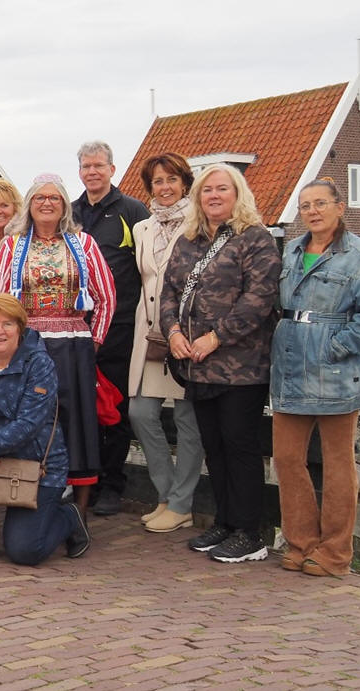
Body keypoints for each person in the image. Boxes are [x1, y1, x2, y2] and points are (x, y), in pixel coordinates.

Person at [160, 163, 281, 563]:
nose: (214, 195)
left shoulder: (255, 240)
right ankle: (226, 522)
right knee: (214, 445)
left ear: (237, 193)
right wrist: (174, 333)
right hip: (196, 364)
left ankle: (250, 532)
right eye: (207, 190)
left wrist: (216, 337)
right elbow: (169, 293)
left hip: (240, 366)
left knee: (239, 445)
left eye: (222, 189)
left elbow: (259, 300)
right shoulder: (188, 241)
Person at [272, 178, 360, 576]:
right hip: (289, 369)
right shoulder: (290, 250)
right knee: (287, 459)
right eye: (305, 205)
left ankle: (335, 554)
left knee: (339, 465)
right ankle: (301, 543)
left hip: (337, 372)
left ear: (340, 207)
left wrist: (336, 347)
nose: (313, 211)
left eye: (321, 203)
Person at [0, 173, 115, 514]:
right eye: (40, 198)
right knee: (31, 419)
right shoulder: (12, 246)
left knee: (76, 422)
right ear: (29, 204)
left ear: (64, 206)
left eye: (54, 198)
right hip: (27, 347)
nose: (47, 203)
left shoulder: (83, 243)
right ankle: (27, 497)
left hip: (74, 345)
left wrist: (94, 341)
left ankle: (78, 510)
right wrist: (3, 347)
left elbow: (106, 296)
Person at [0, 294, 91, 564]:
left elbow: (27, 426)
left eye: (8, 324)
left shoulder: (39, 364)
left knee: (25, 552)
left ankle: (69, 517)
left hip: (37, 465)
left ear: (20, 328)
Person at [73, 141, 151, 516]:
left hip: (119, 325)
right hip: (75, 326)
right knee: (79, 405)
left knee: (114, 406)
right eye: (86, 166)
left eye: (98, 166)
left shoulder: (133, 211)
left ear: (112, 169)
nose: (92, 172)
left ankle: (111, 485)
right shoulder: (70, 213)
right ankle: (79, 479)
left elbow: (146, 266)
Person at [127, 154, 202, 533]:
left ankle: (182, 503)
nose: (165, 187)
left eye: (172, 179)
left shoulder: (199, 225)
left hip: (185, 333)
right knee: (140, 413)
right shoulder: (142, 228)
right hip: (149, 332)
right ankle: (167, 494)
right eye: (158, 181)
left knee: (188, 420)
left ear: (184, 183)